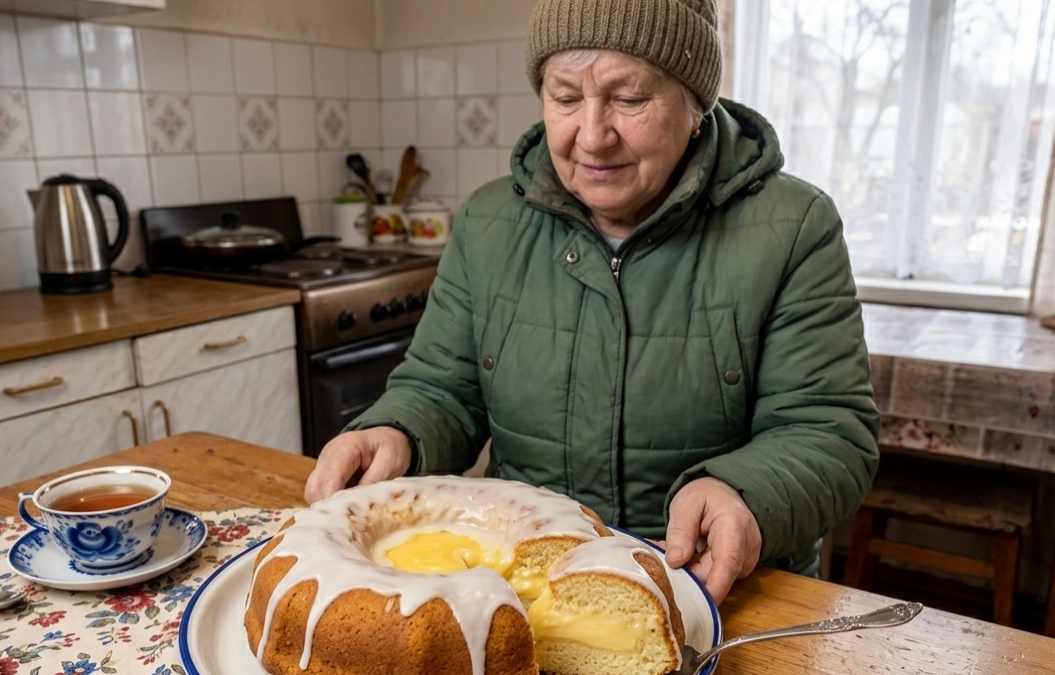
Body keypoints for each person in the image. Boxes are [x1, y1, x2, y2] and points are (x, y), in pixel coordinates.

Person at [305, 0, 879, 603]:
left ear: (695, 104)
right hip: (523, 584)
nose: (593, 136)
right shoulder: (487, 221)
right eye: (565, 97)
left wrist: (746, 494)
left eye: (629, 100)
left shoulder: (793, 226)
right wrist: (396, 431)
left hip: (717, 588)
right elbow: (443, 388)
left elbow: (827, 430)